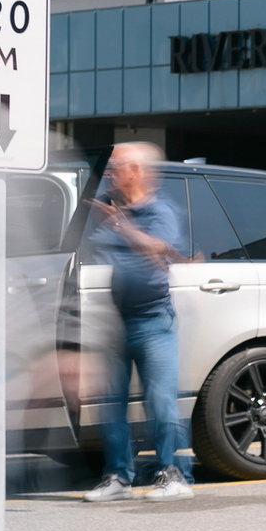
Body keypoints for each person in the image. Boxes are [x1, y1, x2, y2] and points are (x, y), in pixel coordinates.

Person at [83, 142, 194, 502]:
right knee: (111, 404)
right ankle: (118, 477)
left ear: (135, 171)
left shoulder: (159, 211)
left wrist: (119, 224)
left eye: (115, 168)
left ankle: (173, 475)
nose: (109, 174)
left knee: (160, 402)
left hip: (154, 321)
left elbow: (156, 248)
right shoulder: (112, 209)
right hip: (119, 321)